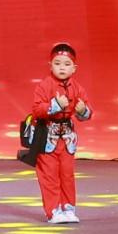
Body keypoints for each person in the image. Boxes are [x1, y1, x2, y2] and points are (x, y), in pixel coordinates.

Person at [29, 43, 93, 224]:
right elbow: (36, 110)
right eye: (57, 64)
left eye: (66, 64)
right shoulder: (43, 86)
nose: (62, 68)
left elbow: (87, 113)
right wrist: (55, 105)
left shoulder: (77, 88)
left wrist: (83, 110)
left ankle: (68, 208)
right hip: (47, 136)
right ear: (50, 65)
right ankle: (53, 211)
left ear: (74, 68)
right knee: (49, 175)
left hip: (67, 138)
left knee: (67, 175)